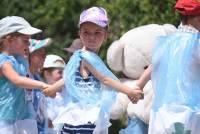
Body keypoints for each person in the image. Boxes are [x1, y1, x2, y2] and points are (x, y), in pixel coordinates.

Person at [43, 7, 143, 134]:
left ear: (105, 35)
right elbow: (105, 79)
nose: (91, 37)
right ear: (79, 33)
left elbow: (68, 79)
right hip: (85, 116)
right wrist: (129, 91)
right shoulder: (87, 57)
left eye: (97, 33)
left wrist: (51, 89)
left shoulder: (78, 56)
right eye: (86, 32)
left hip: (75, 116)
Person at [134, 0, 200, 133]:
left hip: (161, 112)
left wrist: (139, 85)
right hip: (187, 113)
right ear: (198, 19)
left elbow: (153, 65)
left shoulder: (167, 42)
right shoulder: (196, 43)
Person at [0, 16, 50, 134]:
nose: (28, 45)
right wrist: (42, 85)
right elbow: (16, 80)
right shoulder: (4, 61)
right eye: (25, 41)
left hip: (25, 116)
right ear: (9, 40)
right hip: (6, 118)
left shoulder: (21, 59)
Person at [28, 38, 52, 134]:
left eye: (44, 54)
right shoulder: (24, 77)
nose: (44, 57)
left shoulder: (36, 77)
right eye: (40, 54)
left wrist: (46, 118)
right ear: (29, 56)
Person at [41, 54, 66, 133]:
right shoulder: (39, 96)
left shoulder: (67, 95)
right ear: (47, 74)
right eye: (60, 72)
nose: (64, 76)